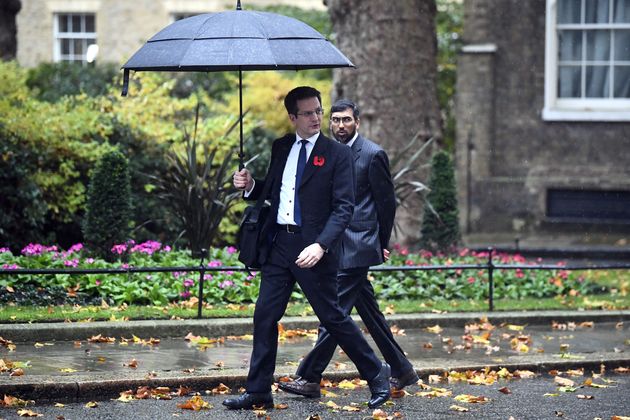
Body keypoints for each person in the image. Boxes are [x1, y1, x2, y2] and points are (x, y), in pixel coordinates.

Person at [224, 87, 391, 410]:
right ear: (292, 117)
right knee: (264, 316)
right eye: (308, 113)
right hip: (278, 246)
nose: (316, 118)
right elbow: (272, 191)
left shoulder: (337, 154)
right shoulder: (282, 146)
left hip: (314, 248)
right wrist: (249, 186)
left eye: (318, 111)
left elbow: (344, 208)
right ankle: (258, 391)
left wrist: (321, 244)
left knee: (332, 317)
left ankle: (376, 373)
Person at [278, 99, 419, 399]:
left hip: (358, 245)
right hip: (335, 243)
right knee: (369, 313)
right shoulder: (327, 152)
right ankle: (402, 369)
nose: (340, 125)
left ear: (358, 122)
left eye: (346, 120)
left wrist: (380, 244)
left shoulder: (372, 154)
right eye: (336, 120)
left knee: (333, 312)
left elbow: (386, 203)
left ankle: (309, 376)